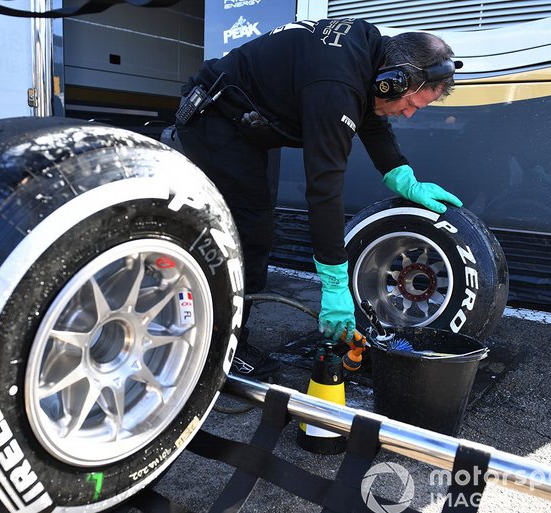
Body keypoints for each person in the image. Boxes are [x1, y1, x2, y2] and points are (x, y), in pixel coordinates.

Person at [174, 18, 463, 379]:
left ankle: (211, 325)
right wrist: (334, 285)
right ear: (394, 80)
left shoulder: (369, 55)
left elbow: (371, 115)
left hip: (250, 125)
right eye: (410, 104)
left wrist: (402, 176)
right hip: (215, 119)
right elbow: (324, 190)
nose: (408, 113)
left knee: (256, 227)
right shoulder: (336, 83)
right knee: (247, 234)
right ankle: (219, 346)